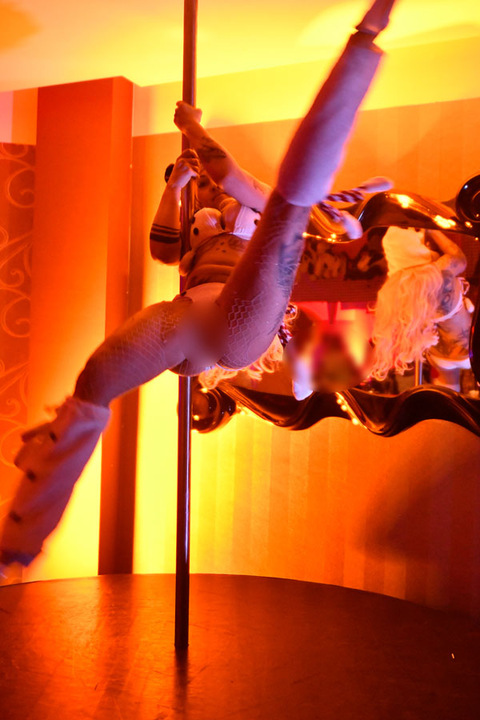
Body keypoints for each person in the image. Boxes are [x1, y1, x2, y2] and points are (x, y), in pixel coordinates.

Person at [0, 0, 397, 568]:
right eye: (203, 187)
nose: (209, 189)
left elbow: (230, 174)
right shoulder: (197, 221)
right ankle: (18, 538)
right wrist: (175, 186)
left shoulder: (254, 201)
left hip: (240, 323)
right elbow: (162, 249)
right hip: (187, 317)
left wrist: (191, 127)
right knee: (94, 382)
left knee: (290, 206)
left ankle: (364, 39)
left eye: (208, 183)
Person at [370, 225, 474, 390]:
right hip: (467, 347)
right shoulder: (438, 274)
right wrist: (432, 230)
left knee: (450, 394)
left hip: (440, 356)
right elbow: (459, 257)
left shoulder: (399, 294)